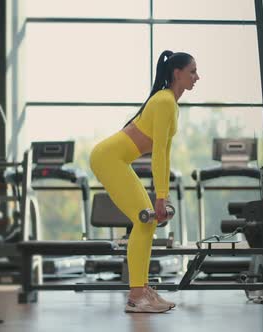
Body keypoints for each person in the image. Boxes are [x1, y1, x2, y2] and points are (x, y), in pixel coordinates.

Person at [90, 50, 199, 313]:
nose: (197, 77)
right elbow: (159, 152)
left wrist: (163, 195)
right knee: (145, 220)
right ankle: (136, 296)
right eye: (193, 71)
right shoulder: (164, 101)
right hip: (108, 159)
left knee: (147, 224)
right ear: (177, 73)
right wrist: (161, 197)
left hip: (117, 160)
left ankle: (142, 289)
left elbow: (165, 152)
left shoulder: (170, 103)